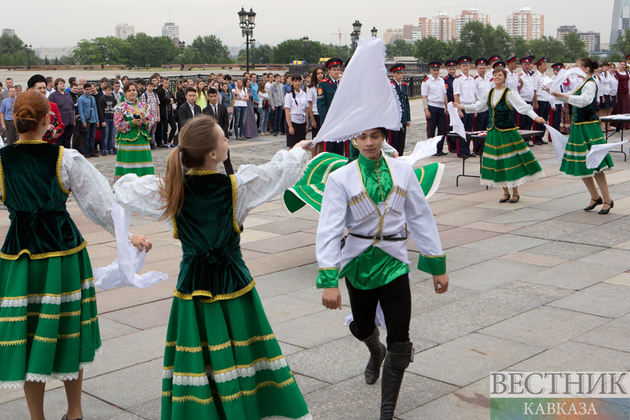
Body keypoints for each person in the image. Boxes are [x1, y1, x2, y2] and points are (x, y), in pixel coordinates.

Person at [112, 115, 313, 420]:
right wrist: (298, 150)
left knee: (199, 355)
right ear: (213, 154)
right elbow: (276, 172)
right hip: (234, 284)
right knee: (243, 352)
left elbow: (124, 190)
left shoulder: (170, 191)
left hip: (193, 288)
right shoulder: (236, 188)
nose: (228, 141)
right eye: (224, 138)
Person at [0, 90, 150, 420]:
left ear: (15, 120)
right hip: (63, 253)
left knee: (27, 334)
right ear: (46, 120)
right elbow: (102, 204)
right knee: (68, 330)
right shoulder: (65, 158)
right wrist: (128, 236)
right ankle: (75, 411)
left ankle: (37, 416)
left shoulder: (2, 160)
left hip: (19, 258)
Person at [317, 128, 448, 420]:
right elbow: (329, 229)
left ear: (383, 138)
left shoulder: (402, 171)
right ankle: (375, 350)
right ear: (353, 139)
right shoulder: (341, 178)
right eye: (362, 137)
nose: (368, 142)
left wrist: (436, 265)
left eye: (374, 136)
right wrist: (329, 281)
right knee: (363, 328)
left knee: (400, 341)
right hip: (359, 262)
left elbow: (419, 215)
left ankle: (386, 413)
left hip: (395, 262)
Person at [455, 65, 545, 203]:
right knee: (497, 161)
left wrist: (536, 117)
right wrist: (463, 107)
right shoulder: (489, 93)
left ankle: (515, 192)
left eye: (500, 75)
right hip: (493, 132)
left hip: (507, 132)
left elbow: (524, 107)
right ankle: (505, 192)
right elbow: (480, 106)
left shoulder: (509, 94)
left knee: (511, 160)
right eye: (495, 75)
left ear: (504, 78)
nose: (497, 77)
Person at [548, 58, 615, 214]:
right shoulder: (582, 83)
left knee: (596, 163)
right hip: (578, 127)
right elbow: (571, 97)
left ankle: (607, 199)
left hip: (589, 127)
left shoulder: (591, 83)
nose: (574, 70)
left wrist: (563, 96)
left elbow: (584, 101)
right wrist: (553, 93)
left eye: (577, 67)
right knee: (582, 162)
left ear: (585, 69)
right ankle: (594, 196)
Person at [113, 81, 156, 181]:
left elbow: (152, 120)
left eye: (134, 90)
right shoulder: (120, 107)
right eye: (129, 91)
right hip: (128, 141)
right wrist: (132, 122)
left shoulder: (144, 106)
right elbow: (118, 125)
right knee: (128, 167)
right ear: (125, 93)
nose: (132, 92)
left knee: (144, 166)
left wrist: (145, 123)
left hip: (142, 141)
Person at [318, 57, 344, 155]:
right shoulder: (323, 85)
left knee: (340, 151)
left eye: (338, 70)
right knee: (329, 151)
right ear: (329, 71)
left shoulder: (342, 84)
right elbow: (321, 106)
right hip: (329, 123)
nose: (336, 72)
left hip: (340, 122)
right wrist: (325, 123)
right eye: (334, 70)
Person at [421, 61, 448, 155]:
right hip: (432, 106)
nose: (436, 72)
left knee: (443, 128)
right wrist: (426, 110)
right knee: (431, 129)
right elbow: (424, 96)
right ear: (430, 70)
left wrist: (447, 106)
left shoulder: (441, 80)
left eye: (437, 70)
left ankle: (439, 149)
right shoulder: (426, 81)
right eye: (434, 70)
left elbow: (444, 94)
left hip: (440, 107)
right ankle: (431, 150)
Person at [29, 75, 65, 145]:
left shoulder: (53, 106)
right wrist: (43, 128)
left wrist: (55, 131)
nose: (42, 90)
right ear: (31, 89)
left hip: (49, 144)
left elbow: (60, 124)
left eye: (44, 88)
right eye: (39, 88)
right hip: (32, 145)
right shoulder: (26, 106)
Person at [453, 56, 476, 157]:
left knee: (469, 131)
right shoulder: (458, 79)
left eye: (467, 65)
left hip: (470, 107)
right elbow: (456, 95)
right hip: (462, 107)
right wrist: (458, 110)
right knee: (461, 131)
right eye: (463, 66)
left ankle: (467, 150)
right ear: (460, 67)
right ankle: (461, 151)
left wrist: (475, 109)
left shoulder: (472, 79)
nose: (465, 67)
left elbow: (474, 95)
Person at [388, 63, 411, 156]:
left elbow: (406, 103)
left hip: (403, 118)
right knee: (393, 141)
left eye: (401, 73)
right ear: (393, 74)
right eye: (398, 73)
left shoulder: (404, 85)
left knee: (402, 140)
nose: (400, 75)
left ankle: (400, 157)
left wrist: (408, 118)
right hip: (393, 119)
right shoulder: (390, 85)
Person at [48, 78, 76, 149]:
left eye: (63, 83)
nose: (63, 85)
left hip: (70, 121)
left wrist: (73, 119)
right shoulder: (53, 95)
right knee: (59, 140)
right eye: (61, 83)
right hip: (60, 122)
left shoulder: (68, 95)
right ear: (56, 85)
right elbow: (50, 109)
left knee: (68, 140)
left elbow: (72, 107)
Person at [284, 74, 309, 148]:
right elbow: (287, 111)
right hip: (293, 121)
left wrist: (307, 124)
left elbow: (306, 110)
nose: (297, 83)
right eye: (295, 81)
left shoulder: (304, 94)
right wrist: (290, 126)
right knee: (292, 146)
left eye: (299, 81)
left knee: (301, 146)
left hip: (302, 121)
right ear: (292, 82)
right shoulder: (289, 95)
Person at [517, 56, 538, 138]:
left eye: (528, 64)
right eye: (525, 64)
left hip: (529, 101)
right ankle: (520, 139)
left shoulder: (531, 75)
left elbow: (532, 89)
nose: (527, 66)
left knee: (528, 122)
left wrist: (534, 102)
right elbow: (517, 89)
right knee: (521, 122)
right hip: (522, 101)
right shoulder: (519, 75)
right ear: (521, 65)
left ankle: (527, 139)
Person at [532, 57, 552, 145]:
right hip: (540, 100)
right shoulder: (536, 76)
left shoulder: (546, 76)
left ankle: (541, 137)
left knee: (544, 119)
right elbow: (534, 90)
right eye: (544, 65)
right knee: (538, 120)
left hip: (546, 99)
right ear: (539, 66)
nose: (546, 67)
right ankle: (536, 138)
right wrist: (535, 102)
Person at [77, 83, 99, 158]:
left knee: (92, 137)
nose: (88, 91)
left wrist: (97, 120)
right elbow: (81, 111)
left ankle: (91, 151)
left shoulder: (92, 98)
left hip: (93, 120)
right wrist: (83, 121)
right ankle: (86, 152)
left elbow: (95, 109)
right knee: (86, 137)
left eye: (90, 89)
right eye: (87, 89)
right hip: (86, 120)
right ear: (84, 90)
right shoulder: (81, 99)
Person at [97, 83, 118, 155]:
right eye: (108, 90)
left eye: (110, 90)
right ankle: (104, 149)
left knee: (112, 135)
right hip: (106, 119)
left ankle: (111, 148)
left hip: (112, 119)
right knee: (105, 135)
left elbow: (116, 109)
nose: (109, 92)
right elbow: (100, 110)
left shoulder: (113, 99)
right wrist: (102, 120)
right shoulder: (102, 99)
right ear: (104, 90)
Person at [474, 58, 492, 135]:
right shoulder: (474, 80)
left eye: (484, 68)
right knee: (478, 128)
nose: (482, 70)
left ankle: (484, 146)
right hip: (479, 106)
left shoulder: (488, 79)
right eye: (480, 68)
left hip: (487, 106)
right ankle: (477, 147)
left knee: (486, 128)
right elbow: (474, 94)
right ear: (477, 68)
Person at [141, 81, 161, 149]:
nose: (151, 88)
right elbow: (143, 106)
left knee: (153, 131)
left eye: (152, 86)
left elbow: (157, 105)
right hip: (148, 117)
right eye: (149, 86)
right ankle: (148, 143)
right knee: (148, 130)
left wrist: (158, 116)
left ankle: (153, 143)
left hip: (154, 116)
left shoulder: (155, 95)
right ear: (146, 87)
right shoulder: (144, 95)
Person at [308, 66, 324, 141]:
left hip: (323, 113)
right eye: (318, 73)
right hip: (315, 113)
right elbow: (309, 105)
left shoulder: (325, 85)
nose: (320, 75)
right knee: (315, 139)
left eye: (321, 73)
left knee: (322, 139)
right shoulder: (311, 87)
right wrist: (312, 120)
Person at [160, 78, 177, 147]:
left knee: (174, 126)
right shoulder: (161, 91)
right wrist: (169, 100)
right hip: (165, 112)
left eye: (168, 83)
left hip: (171, 112)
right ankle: (165, 142)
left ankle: (170, 141)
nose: (167, 84)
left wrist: (171, 100)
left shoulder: (169, 91)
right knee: (165, 128)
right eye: (166, 83)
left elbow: (174, 99)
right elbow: (163, 99)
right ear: (162, 83)